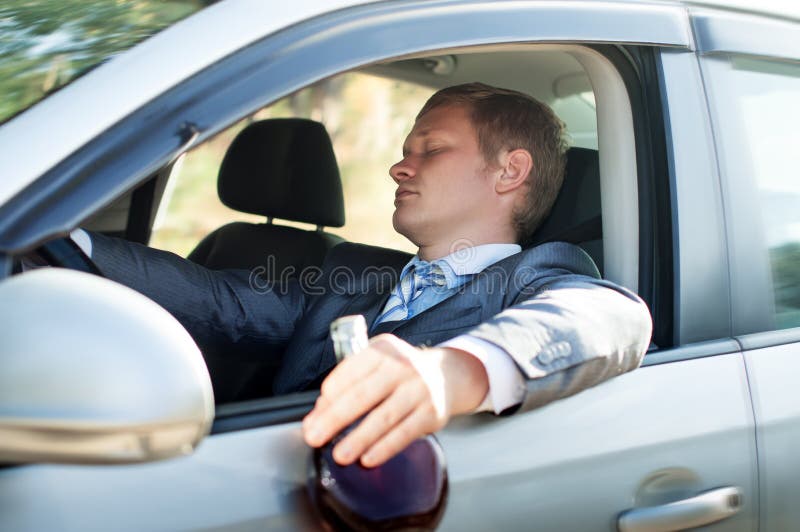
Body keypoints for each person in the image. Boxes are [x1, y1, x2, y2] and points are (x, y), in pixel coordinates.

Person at [81, 82, 652, 470]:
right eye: (407, 150)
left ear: (510, 171)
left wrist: (453, 371)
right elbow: (218, 300)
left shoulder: (540, 276)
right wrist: (64, 247)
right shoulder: (352, 271)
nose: (399, 166)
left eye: (431, 149)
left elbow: (614, 317)